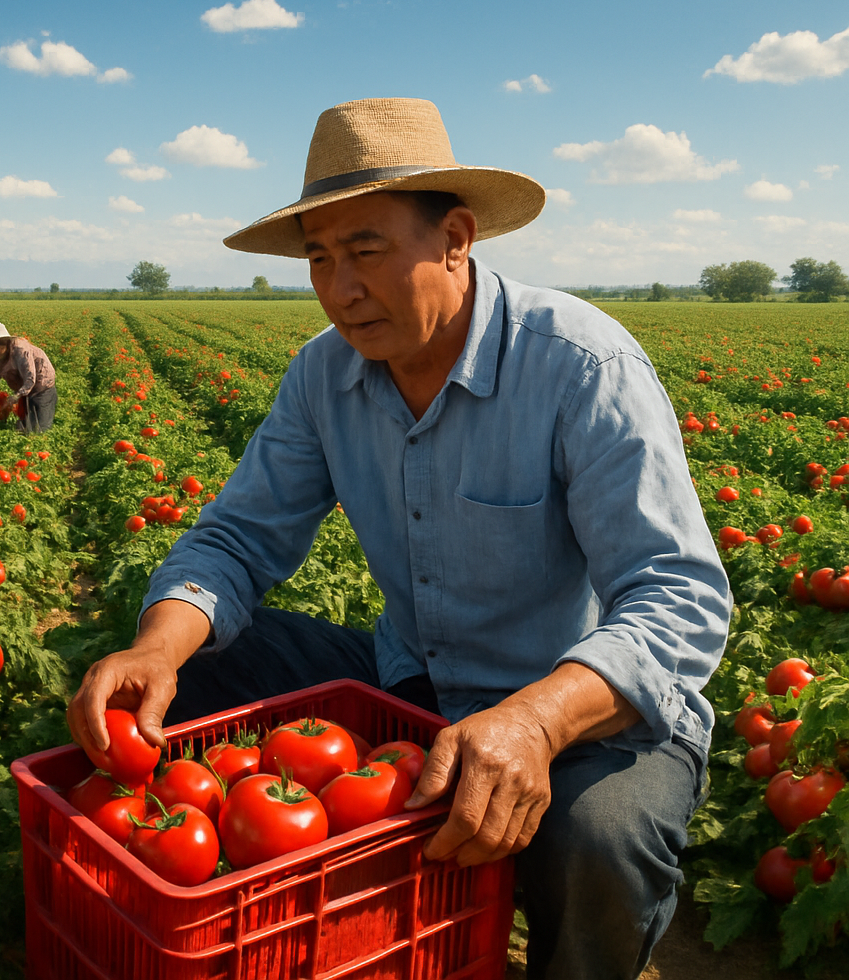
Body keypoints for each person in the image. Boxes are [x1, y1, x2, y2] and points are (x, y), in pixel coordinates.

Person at [65, 98, 729, 980]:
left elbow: (680, 595)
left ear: (455, 237)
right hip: (414, 678)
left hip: (583, 711)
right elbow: (236, 539)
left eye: (367, 250)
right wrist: (158, 645)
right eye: (319, 258)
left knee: (600, 837)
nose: (341, 287)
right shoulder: (325, 375)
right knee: (187, 677)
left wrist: (535, 719)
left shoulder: (578, 364)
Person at [0, 320, 56, 434]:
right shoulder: (2, 358)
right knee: (26, 424)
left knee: (41, 427)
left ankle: (39, 443)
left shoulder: (21, 351)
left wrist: (16, 397)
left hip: (42, 387)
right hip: (25, 389)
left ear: (4, 343)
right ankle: (25, 435)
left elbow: (30, 378)